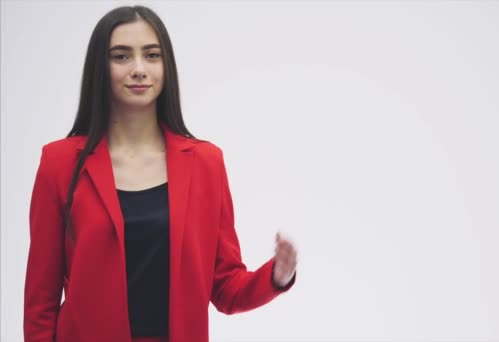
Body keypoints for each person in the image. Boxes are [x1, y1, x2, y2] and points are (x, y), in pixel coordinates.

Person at [23, 5, 297, 342]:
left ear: (166, 66)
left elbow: (225, 287)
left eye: (151, 55)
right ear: (100, 68)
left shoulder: (206, 164)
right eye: (121, 56)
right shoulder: (60, 163)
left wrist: (277, 276)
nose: (139, 68)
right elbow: (41, 304)